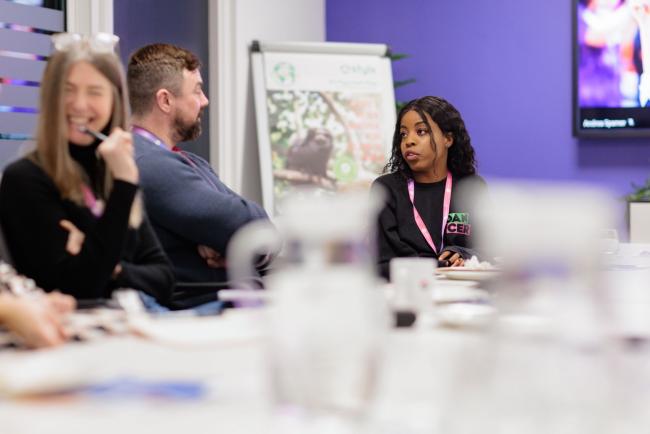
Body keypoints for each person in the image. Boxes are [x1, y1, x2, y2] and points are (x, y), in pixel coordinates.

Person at [0, 33, 174, 305]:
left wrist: (112, 266)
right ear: (50, 98)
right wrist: (125, 185)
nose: (79, 104)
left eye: (94, 91)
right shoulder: (25, 178)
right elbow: (81, 287)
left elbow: (164, 279)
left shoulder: (109, 173)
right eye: (67, 90)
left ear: (113, 100)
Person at [126, 43, 269, 308]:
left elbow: (261, 229)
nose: (205, 101)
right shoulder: (147, 163)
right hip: (206, 311)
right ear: (165, 100)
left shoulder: (189, 160)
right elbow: (251, 225)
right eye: (197, 91)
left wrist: (231, 246)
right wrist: (237, 242)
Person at [371, 96, 485, 279]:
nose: (409, 141)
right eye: (403, 134)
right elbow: (382, 263)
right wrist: (437, 265)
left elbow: (488, 251)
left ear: (448, 138)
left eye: (421, 131)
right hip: (407, 291)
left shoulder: (471, 187)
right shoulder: (386, 189)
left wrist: (464, 254)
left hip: (462, 294)